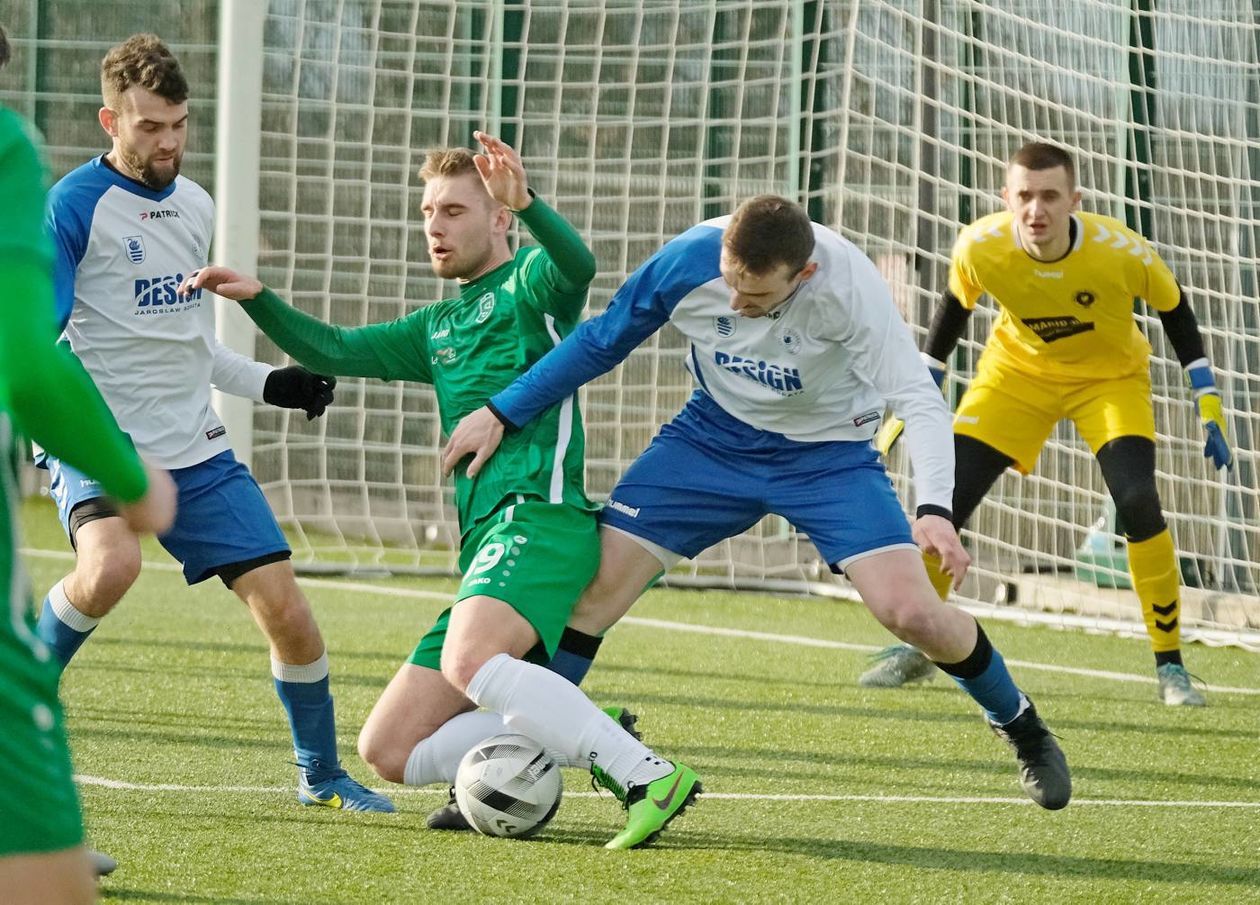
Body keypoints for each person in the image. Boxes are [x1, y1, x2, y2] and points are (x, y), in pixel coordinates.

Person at [443, 194, 1073, 810]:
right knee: (593, 591)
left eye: (759, 297)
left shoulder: (850, 292)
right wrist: (503, 411)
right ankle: (510, 766)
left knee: (912, 614)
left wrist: (935, 508)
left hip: (828, 457)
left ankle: (1021, 726)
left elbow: (918, 398)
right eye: (731, 286)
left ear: (805, 274)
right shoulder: (687, 260)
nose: (738, 305)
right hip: (710, 440)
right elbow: (603, 340)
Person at [184, 132, 701, 850]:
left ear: (498, 220)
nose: (434, 224)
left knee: (468, 663)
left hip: (539, 519)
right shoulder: (437, 326)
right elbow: (333, 348)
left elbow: (578, 264)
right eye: (428, 209)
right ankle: (579, 725)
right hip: (486, 541)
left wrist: (535, 205)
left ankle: (646, 773)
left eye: (454, 209)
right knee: (388, 748)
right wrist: (258, 299)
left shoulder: (531, 288)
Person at [32, 34, 391, 813]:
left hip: (192, 443)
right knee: (110, 567)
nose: (168, 142)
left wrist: (274, 383)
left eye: (179, 125)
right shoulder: (71, 208)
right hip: (100, 435)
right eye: (149, 126)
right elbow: (44, 338)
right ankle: (10, 716)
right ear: (110, 121)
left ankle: (320, 772)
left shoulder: (195, 207)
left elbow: (192, 348)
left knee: (288, 611)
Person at [861, 141, 1228, 707]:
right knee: (945, 497)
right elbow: (949, 322)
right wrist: (907, 409)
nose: (1037, 210)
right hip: (1016, 376)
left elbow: (1176, 310)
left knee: (1136, 500)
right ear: (1006, 198)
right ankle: (925, 641)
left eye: (1051, 196)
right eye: (1025, 196)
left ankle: (1171, 666)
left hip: (1108, 380)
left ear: (1074, 201)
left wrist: (1207, 402)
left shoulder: (1121, 251)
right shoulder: (981, 246)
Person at [0, 24, 177, 904]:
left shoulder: (193, 209)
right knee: (54, 884)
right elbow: (31, 359)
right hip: (98, 439)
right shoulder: (17, 155)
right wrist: (132, 475)